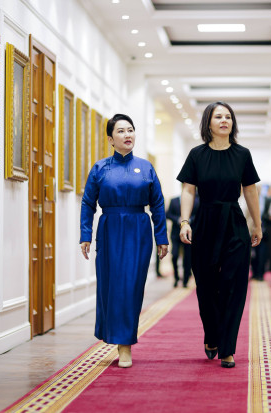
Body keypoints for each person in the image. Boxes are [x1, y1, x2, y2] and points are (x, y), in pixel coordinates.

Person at [79, 114, 169, 368]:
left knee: (131, 287)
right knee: (112, 286)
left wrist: (161, 237)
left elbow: (157, 204)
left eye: (130, 130)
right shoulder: (100, 168)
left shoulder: (146, 167)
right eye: (121, 131)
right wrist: (85, 234)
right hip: (109, 230)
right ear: (111, 139)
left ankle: (125, 343)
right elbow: (88, 203)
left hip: (138, 230)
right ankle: (120, 341)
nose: (127, 135)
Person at [177, 101, 262, 368]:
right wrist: (184, 221)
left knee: (233, 285)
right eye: (218, 117)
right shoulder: (197, 154)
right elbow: (188, 189)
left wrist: (257, 225)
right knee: (205, 285)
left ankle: (227, 347)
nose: (224, 120)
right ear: (208, 123)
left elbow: (250, 190)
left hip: (234, 223)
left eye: (228, 116)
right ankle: (212, 334)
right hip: (205, 222)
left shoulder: (242, 154)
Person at [166, 190, 199, 288]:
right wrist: (178, 219)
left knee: (187, 258)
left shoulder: (196, 201)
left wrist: (189, 220)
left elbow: (198, 215)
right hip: (175, 233)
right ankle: (176, 278)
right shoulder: (174, 201)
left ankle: (185, 280)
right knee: (174, 255)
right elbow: (168, 214)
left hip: (189, 234)